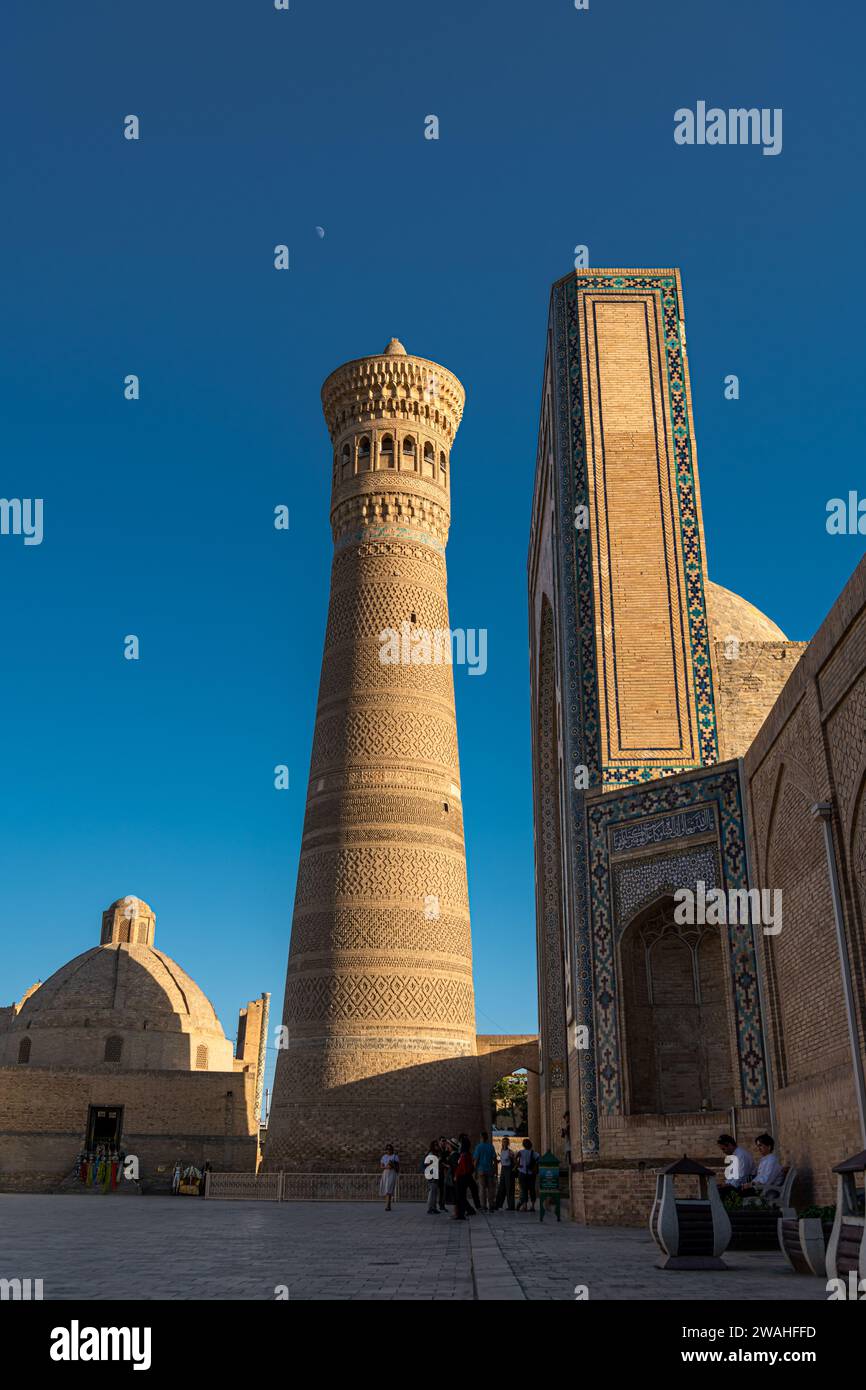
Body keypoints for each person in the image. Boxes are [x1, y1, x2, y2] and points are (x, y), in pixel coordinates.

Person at [473, 1131, 497, 1212]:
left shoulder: (478, 1147)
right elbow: (495, 1160)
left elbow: (476, 1160)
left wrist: (474, 1171)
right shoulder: (491, 1147)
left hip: (481, 1170)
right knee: (491, 1189)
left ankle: (483, 1205)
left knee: (482, 1189)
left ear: (481, 1138)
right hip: (490, 1170)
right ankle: (491, 1205)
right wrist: (495, 1170)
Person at [452, 1136, 474, 1220]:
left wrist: (457, 1175)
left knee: (460, 1197)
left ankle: (460, 1214)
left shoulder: (464, 1155)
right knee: (461, 1196)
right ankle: (460, 1213)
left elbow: (463, 1169)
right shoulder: (465, 1154)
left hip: (462, 1178)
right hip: (463, 1178)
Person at [517, 1138, 540, 1211]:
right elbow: (539, 1160)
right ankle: (533, 1206)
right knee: (532, 1189)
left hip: (523, 1173)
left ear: (523, 1145)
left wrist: (518, 1165)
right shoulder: (535, 1153)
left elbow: (515, 1158)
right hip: (531, 1174)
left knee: (524, 1190)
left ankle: (525, 1206)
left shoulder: (521, 1152)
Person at [494, 1137, 516, 1211]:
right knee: (501, 1187)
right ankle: (498, 1204)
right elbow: (502, 1160)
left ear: (508, 1143)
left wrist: (513, 1168)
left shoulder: (510, 1152)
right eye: (503, 1142)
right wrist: (498, 1161)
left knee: (509, 1187)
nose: (504, 1143)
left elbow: (514, 1161)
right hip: (503, 1169)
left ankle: (511, 1206)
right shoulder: (501, 1150)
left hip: (509, 1169)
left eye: (506, 1142)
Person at [379, 1143, 399, 1211]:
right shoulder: (384, 1157)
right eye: (387, 1149)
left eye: (390, 1149)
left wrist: (392, 1165)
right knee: (386, 1189)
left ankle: (387, 1206)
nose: (389, 1150)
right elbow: (381, 1166)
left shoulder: (395, 1156)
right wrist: (386, 1166)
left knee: (389, 1189)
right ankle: (388, 1205)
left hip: (392, 1173)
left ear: (392, 1150)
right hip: (385, 1173)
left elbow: (397, 1166)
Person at [423, 1141, 441, 1214]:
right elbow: (427, 1164)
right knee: (432, 1191)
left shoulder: (436, 1154)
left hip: (435, 1174)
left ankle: (434, 1207)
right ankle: (430, 1208)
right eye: (436, 1145)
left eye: (437, 1145)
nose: (437, 1146)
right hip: (431, 1174)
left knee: (435, 1191)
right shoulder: (430, 1154)